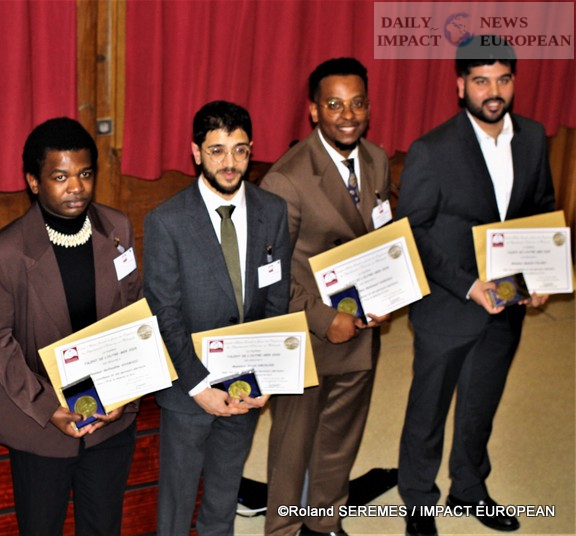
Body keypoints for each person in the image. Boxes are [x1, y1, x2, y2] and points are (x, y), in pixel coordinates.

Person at [396, 37, 555, 536]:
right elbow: (412, 232)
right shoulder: (432, 149)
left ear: (514, 82)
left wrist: (541, 275)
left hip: (507, 304)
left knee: (480, 406)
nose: (494, 91)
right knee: (428, 411)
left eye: (503, 79)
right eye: (481, 80)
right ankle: (418, 502)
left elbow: (540, 209)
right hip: (449, 304)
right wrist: (468, 286)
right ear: (460, 85)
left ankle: (469, 488)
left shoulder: (533, 137)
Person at [0, 117, 140, 535]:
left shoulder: (117, 229)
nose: (76, 187)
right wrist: (50, 409)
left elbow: (133, 311)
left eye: (85, 174)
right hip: (40, 423)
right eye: (60, 177)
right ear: (34, 182)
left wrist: (125, 391)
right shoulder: (3, 253)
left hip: (111, 420)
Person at [143, 100, 291, 535]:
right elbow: (164, 313)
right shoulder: (166, 221)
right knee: (177, 503)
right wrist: (199, 386)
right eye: (217, 151)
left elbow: (277, 298)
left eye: (240, 150)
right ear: (196, 152)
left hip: (247, 384)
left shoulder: (273, 210)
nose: (230, 163)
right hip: (189, 391)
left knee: (224, 495)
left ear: (251, 150)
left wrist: (268, 375)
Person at [259, 57, 391, 536]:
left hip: (362, 328)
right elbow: (269, 275)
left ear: (369, 106)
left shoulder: (377, 160)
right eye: (334, 105)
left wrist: (388, 291)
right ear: (314, 111)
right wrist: (322, 318)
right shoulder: (286, 179)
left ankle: (325, 522)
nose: (347, 115)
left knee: (341, 437)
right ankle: (283, 531)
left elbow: (380, 236)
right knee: (292, 448)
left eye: (357, 103)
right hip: (308, 336)